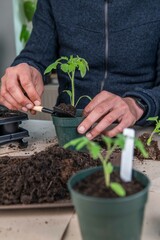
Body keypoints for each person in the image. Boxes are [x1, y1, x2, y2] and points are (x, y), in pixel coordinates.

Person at [1, 0, 160, 140]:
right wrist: (26, 68)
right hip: (68, 133)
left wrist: (137, 103)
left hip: (139, 132)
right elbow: (36, 54)